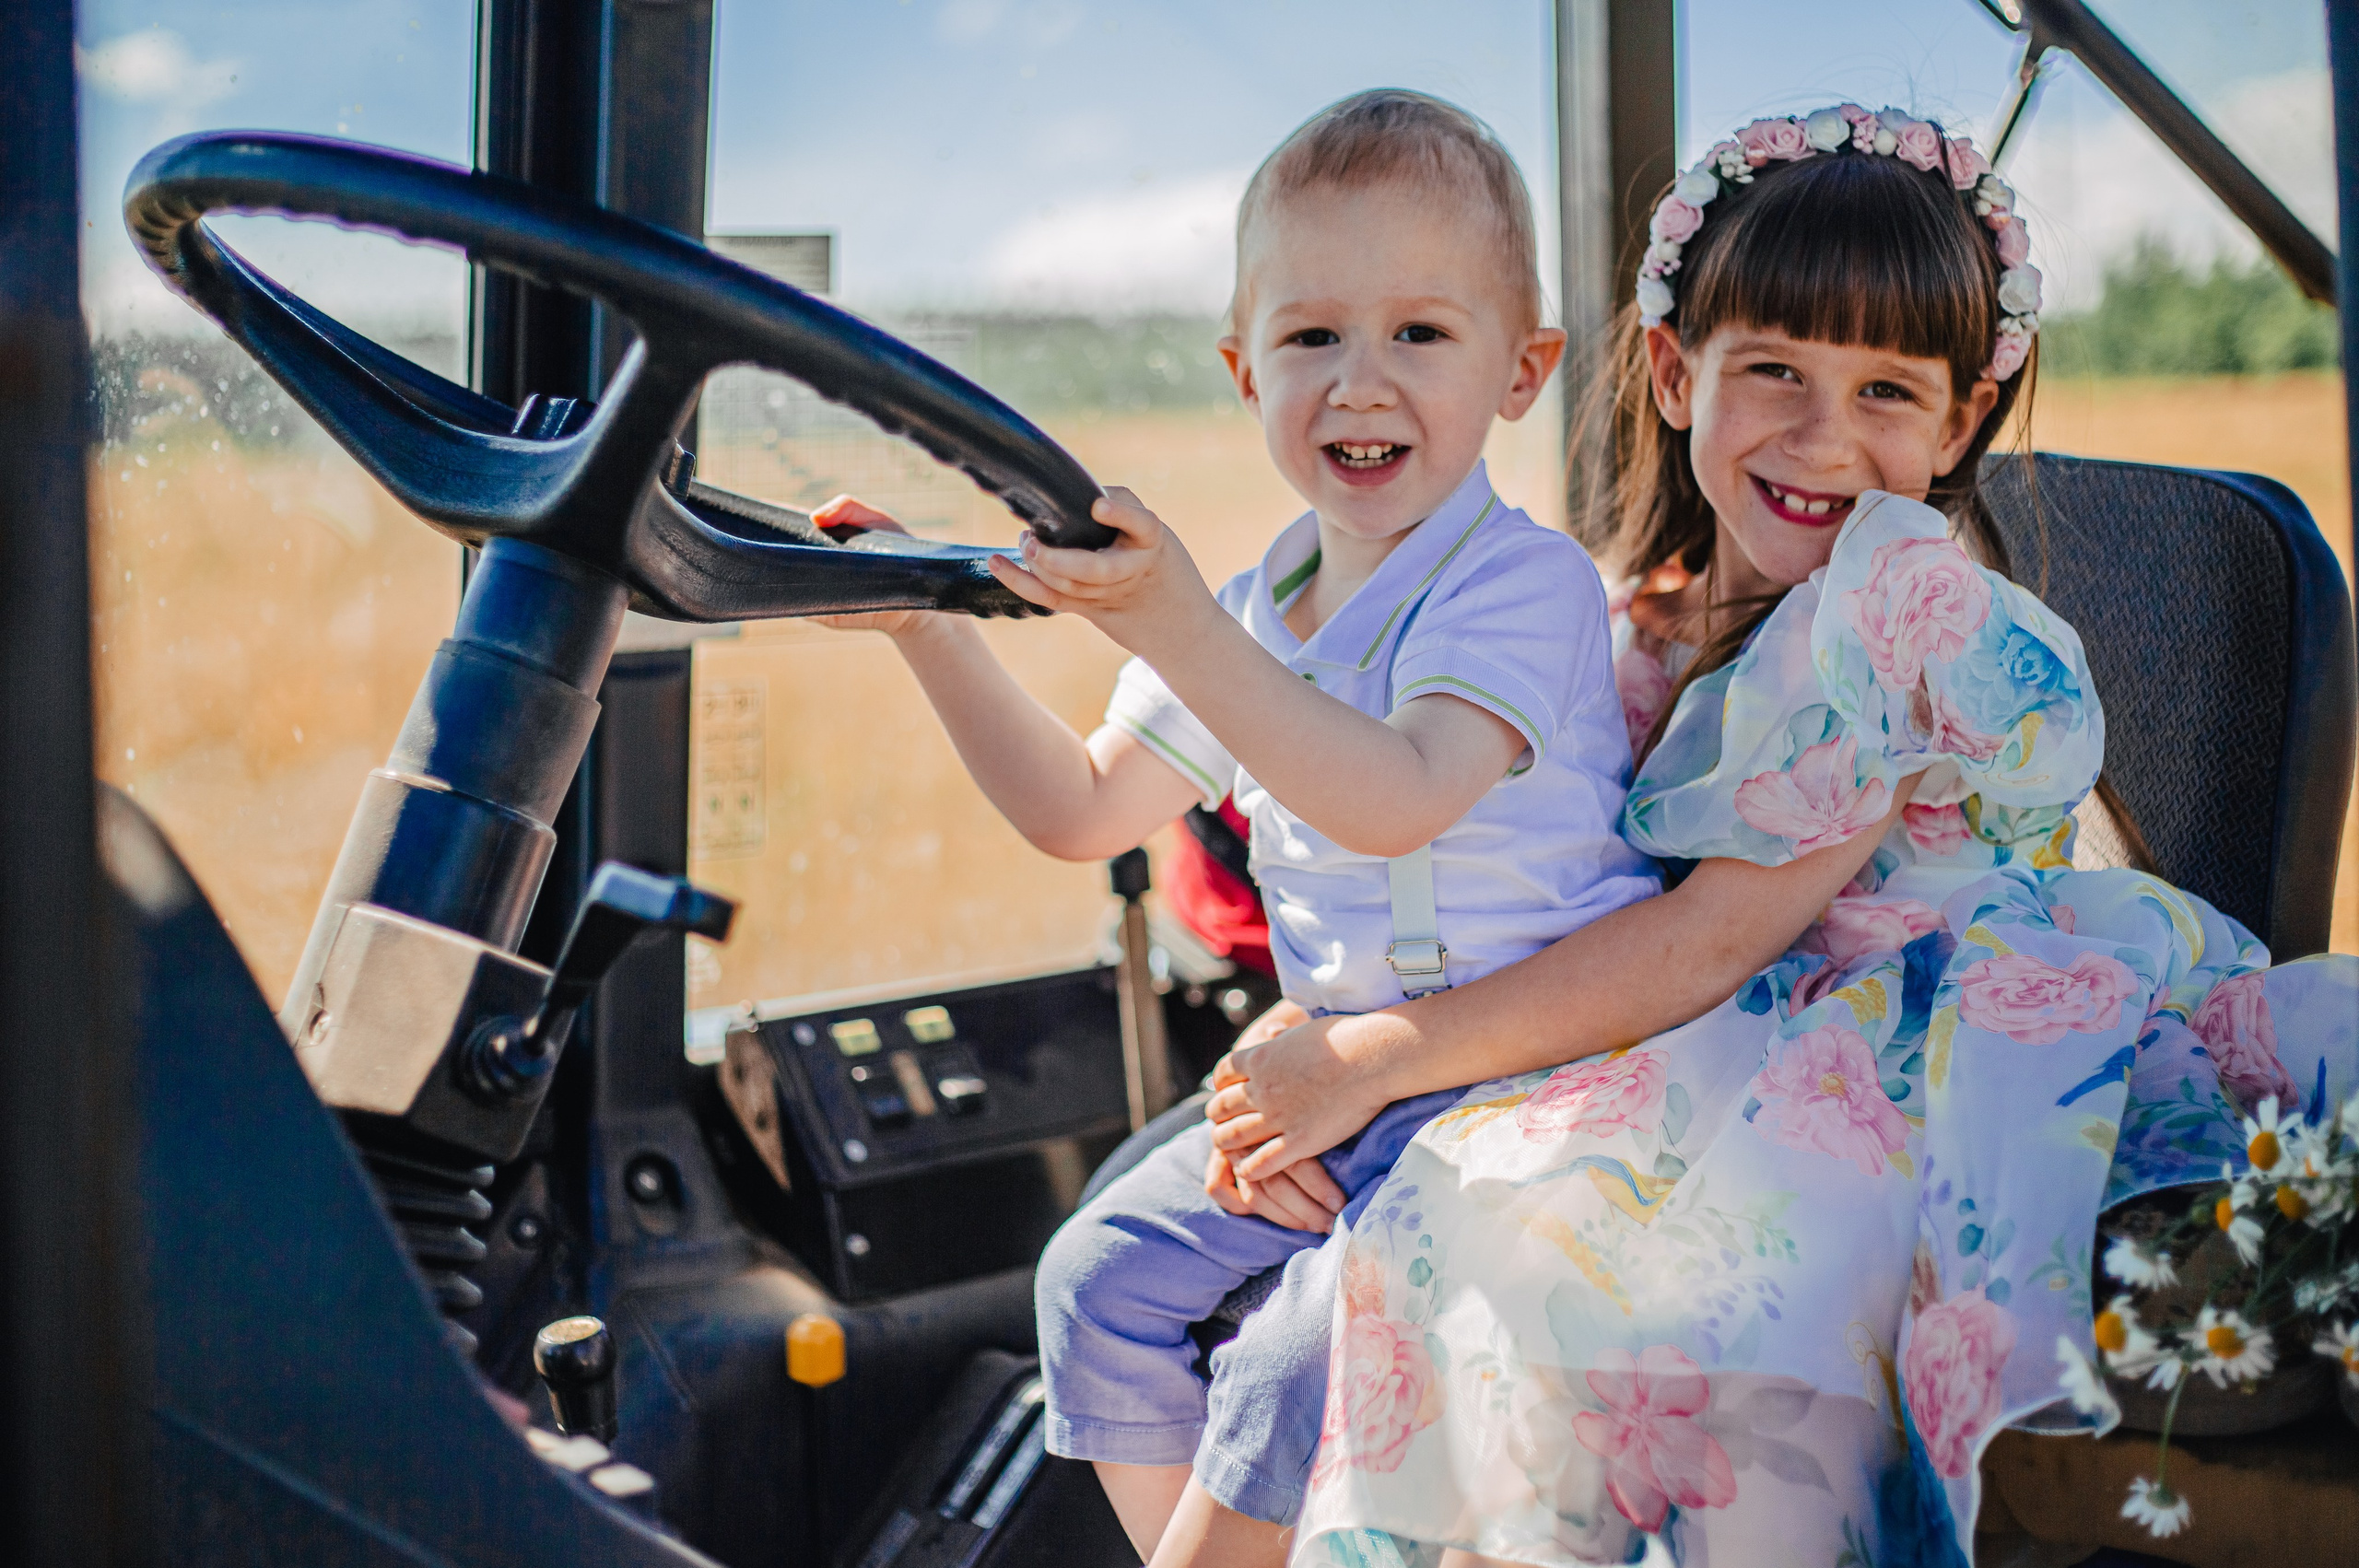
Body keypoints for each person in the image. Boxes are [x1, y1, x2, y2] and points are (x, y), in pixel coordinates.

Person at [1191, 105, 2359, 1567]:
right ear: (1678, 376)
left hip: (1909, 1043)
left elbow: (1710, 933)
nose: (1824, 436)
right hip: (1697, 1039)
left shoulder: (1893, 611)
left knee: (1599, 1292)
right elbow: (1530, 878)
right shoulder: (1628, 621)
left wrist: (1379, 1057)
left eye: (1886, 389)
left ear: (1961, 420)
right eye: (1774, 372)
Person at [808, 89, 1659, 1561]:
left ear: (1523, 372)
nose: (1361, 383)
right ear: (1243, 367)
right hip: (1341, 1084)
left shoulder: (1522, 591)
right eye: (1313, 336)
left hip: (1533, 1084)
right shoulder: (1262, 614)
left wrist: (1185, 629)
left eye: (1421, 334)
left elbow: (1392, 797)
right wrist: (921, 625)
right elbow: (1081, 809)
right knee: (1092, 1282)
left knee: (1283, 1369)